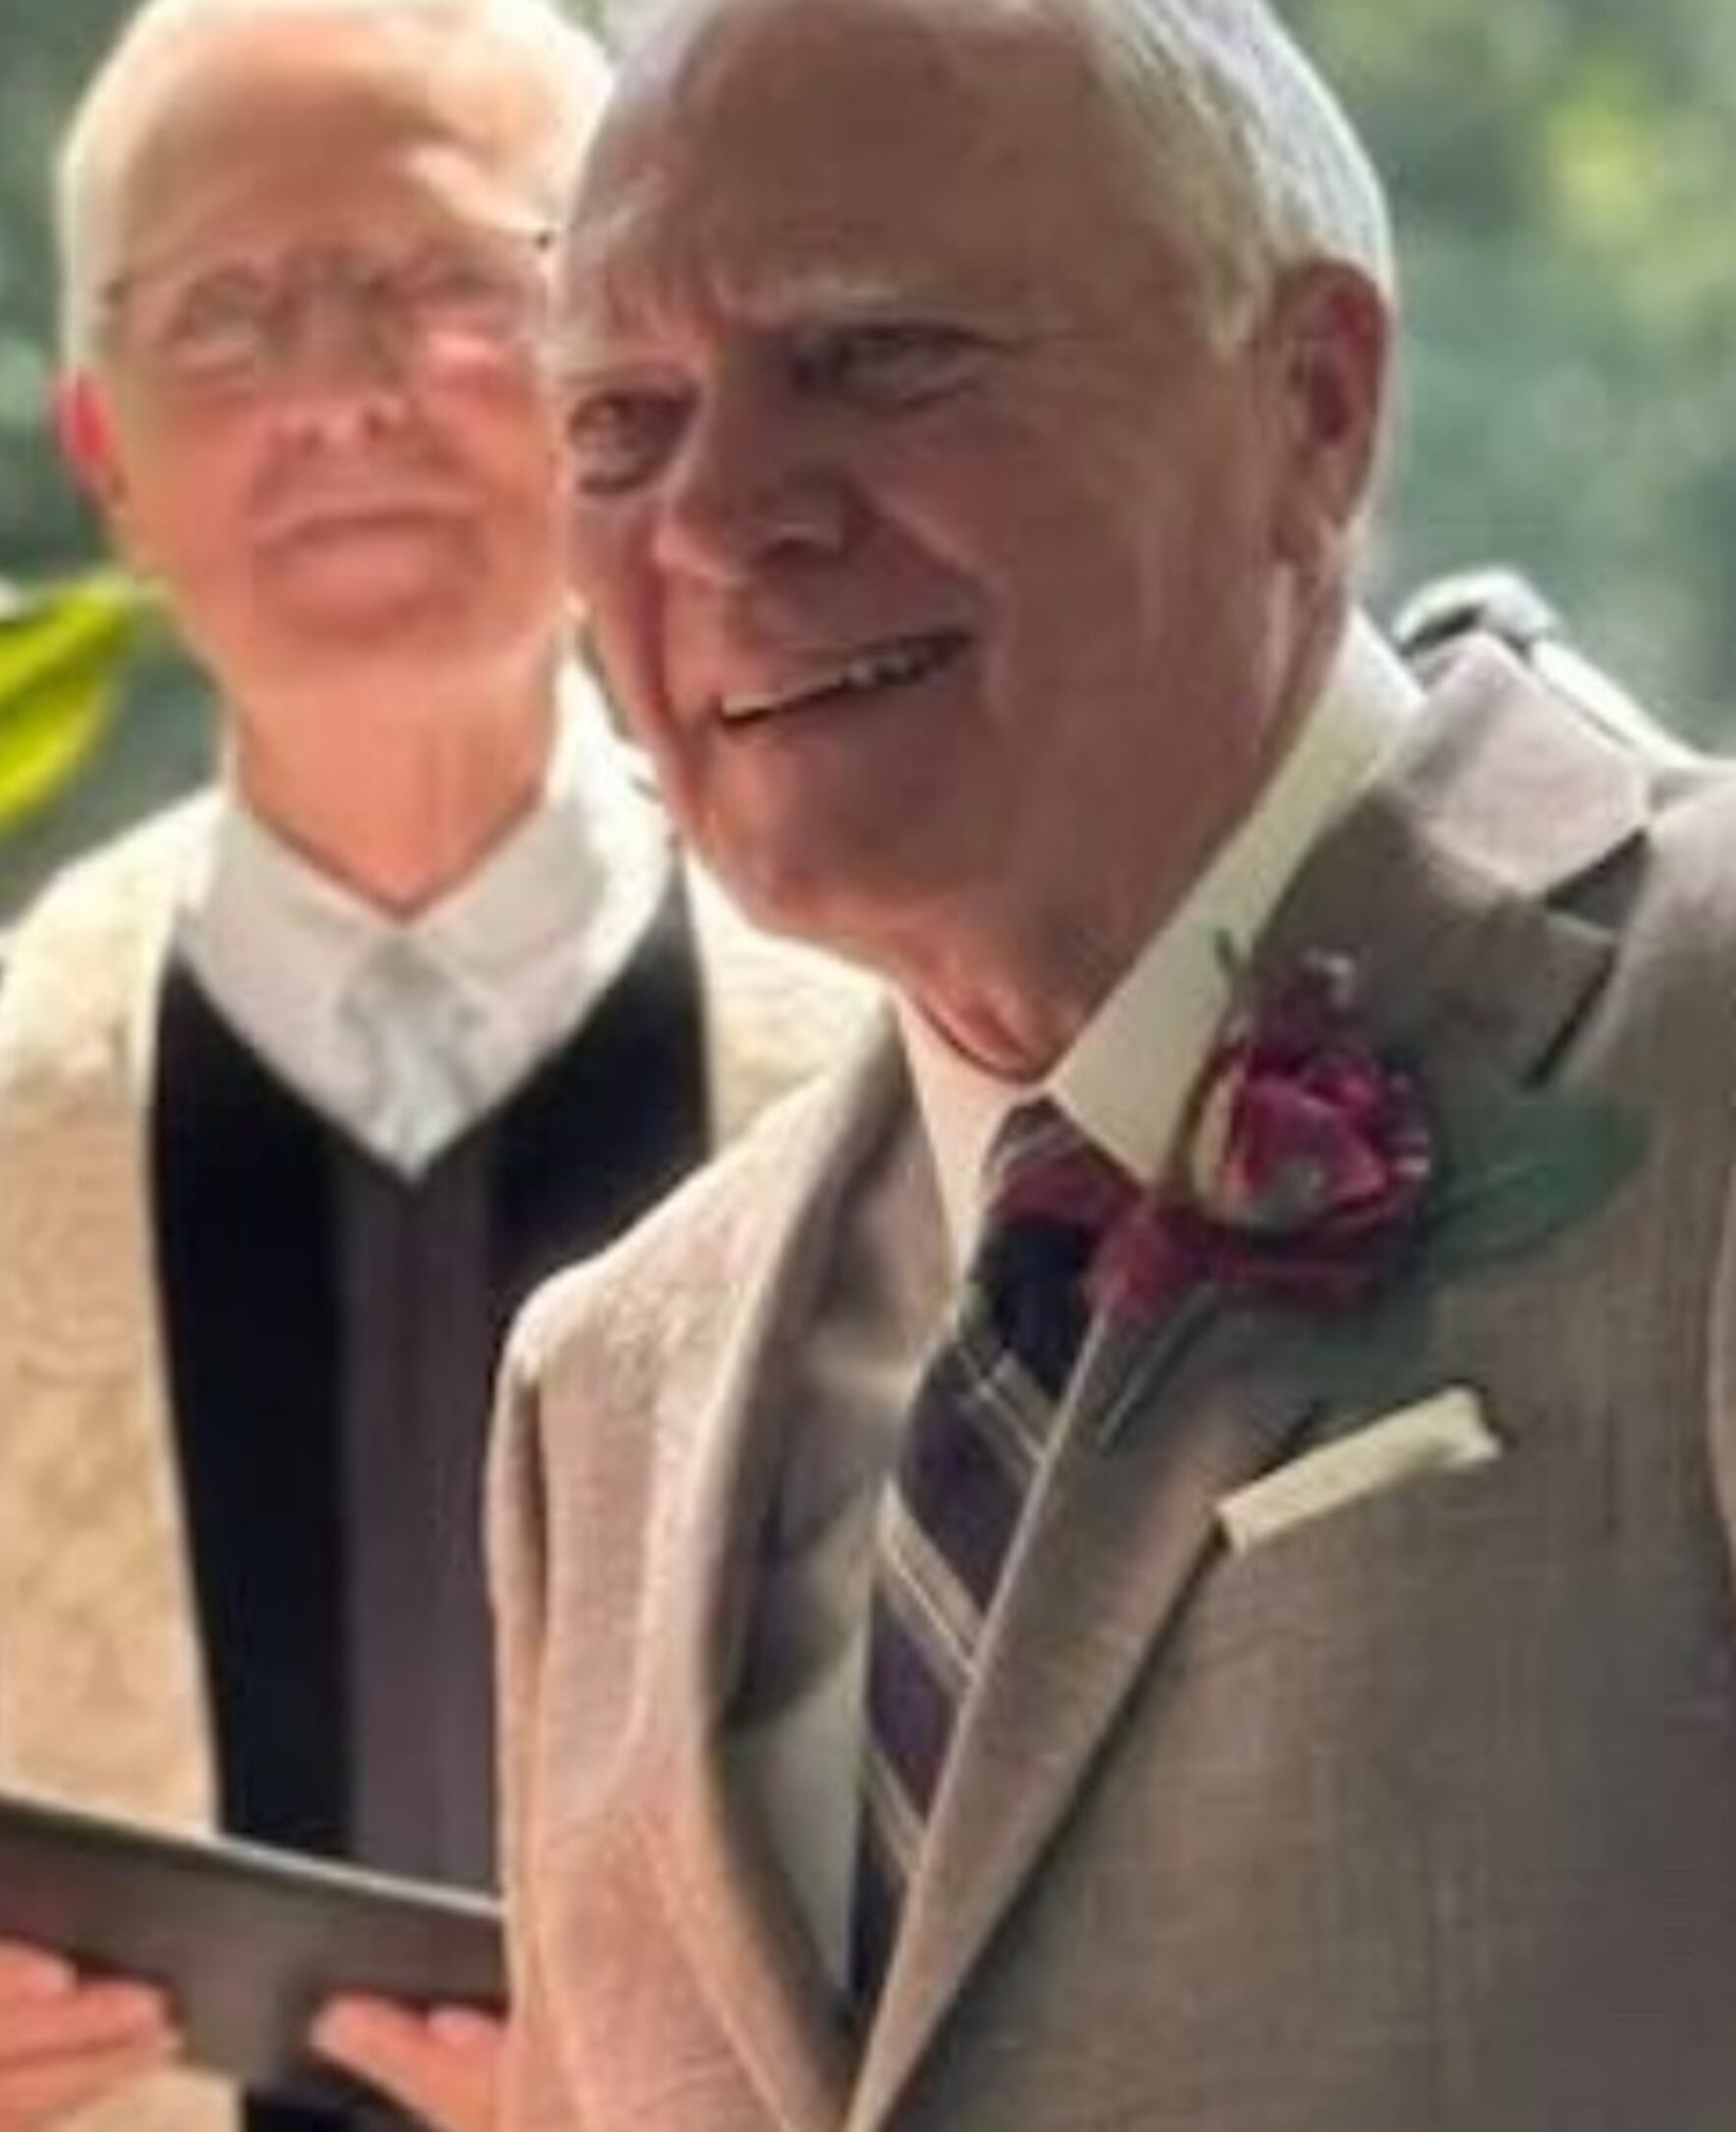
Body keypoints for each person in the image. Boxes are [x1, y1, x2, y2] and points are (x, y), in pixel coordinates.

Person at [0, 4, 862, 2129]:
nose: (341, 391)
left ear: (628, 388)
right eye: (227, 312)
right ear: (101, 451)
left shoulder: (928, 1132)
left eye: (449, 284)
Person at [479, 0, 1736, 2125]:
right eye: (621, 421)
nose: (718, 515)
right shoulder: (601, 1392)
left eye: (877, 354)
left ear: (1316, 402)